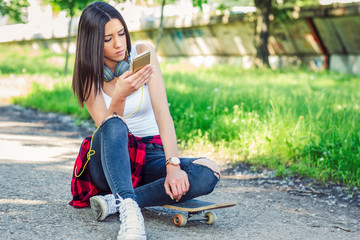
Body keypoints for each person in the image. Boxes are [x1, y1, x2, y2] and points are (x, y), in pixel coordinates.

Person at [71, 2, 220, 240]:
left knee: (208, 171)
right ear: (92, 43)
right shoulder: (89, 77)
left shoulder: (142, 53)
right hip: (111, 160)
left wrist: (173, 166)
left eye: (121, 33)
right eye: (108, 39)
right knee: (115, 123)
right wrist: (120, 94)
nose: (119, 44)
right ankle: (130, 215)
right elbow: (107, 128)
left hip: (150, 155)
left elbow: (163, 112)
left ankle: (116, 202)